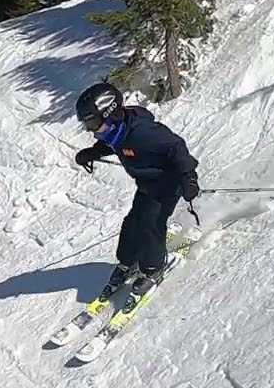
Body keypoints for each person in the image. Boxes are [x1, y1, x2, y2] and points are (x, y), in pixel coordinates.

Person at [73, 81, 200, 313]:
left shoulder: (143, 132)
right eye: (87, 124)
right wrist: (92, 152)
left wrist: (189, 176)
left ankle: (152, 269)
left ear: (109, 113)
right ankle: (128, 261)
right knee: (133, 222)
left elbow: (176, 146)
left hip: (167, 183)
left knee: (150, 223)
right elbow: (114, 144)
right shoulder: (116, 131)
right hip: (147, 184)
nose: (91, 129)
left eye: (92, 122)